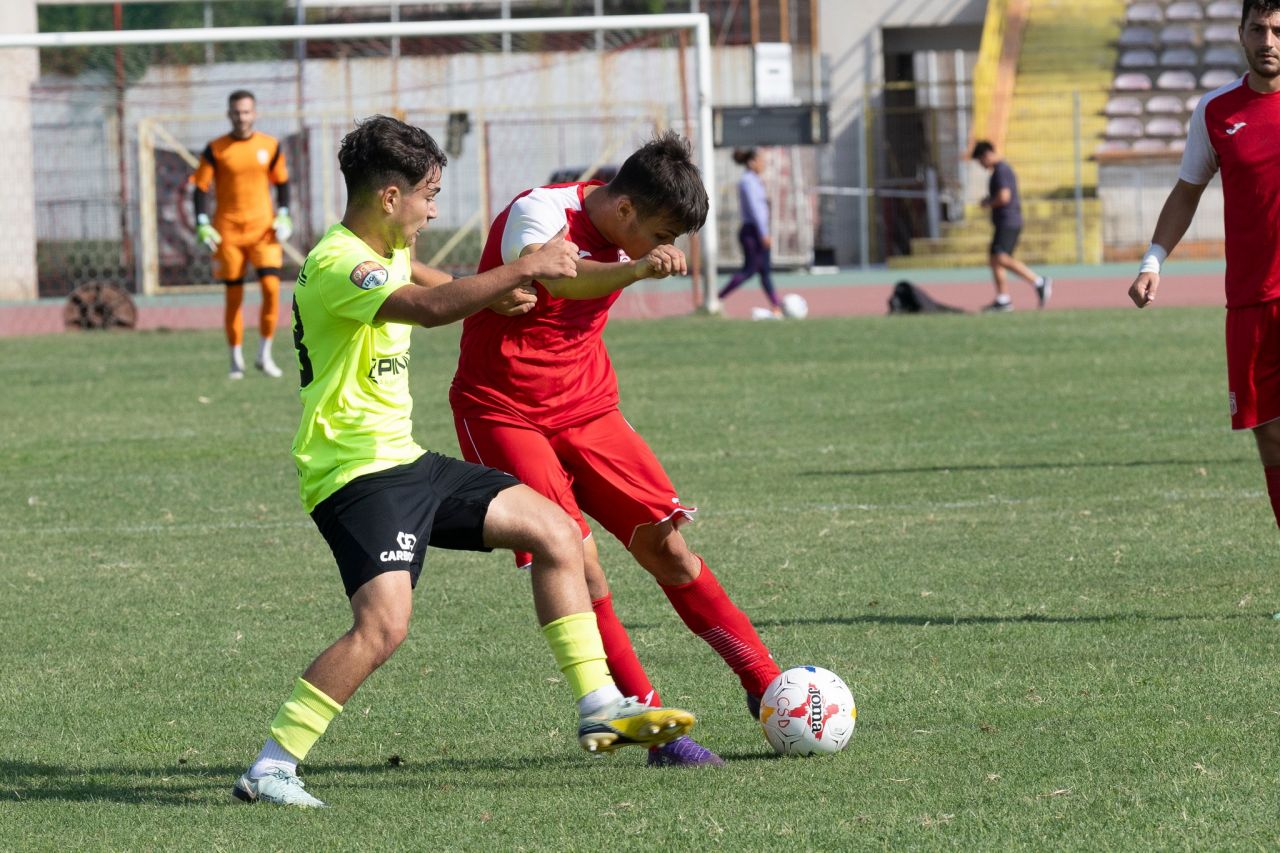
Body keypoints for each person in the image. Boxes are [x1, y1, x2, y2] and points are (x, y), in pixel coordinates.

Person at [231, 116, 696, 809]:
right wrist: (523, 268)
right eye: (428, 195)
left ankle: (599, 701)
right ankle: (271, 765)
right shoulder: (339, 263)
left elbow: (442, 281)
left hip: (406, 460)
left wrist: (502, 291)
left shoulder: (386, 246)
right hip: (355, 477)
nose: (433, 209)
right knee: (383, 627)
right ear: (389, 196)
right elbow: (423, 306)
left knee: (557, 531)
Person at [450, 131, 782, 768]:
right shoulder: (541, 212)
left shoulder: (633, 234)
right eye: (662, 233)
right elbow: (560, 279)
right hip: (504, 411)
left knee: (670, 549)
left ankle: (766, 686)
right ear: (625, 210)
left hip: (588, 407)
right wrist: (635, 269)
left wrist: (639, 261)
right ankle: (655, 731)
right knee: (577, 561)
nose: (668, 249)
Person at [1129, 0, 1280, 531]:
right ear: (1240, 33)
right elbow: (1187, 192)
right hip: (1249, 300)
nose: (1269, 41)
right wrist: (1153, 260)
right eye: (1259, 29)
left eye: (1278, 31)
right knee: (1269, 434)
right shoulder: (1217, 112)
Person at [190, 90, 293, 379]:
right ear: (228, 114)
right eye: (236, 112)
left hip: (263, 231)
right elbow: (199, 189)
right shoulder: (216, 149)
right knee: (234, 296)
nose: (241, 117)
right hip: (228, 231)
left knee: (272, 290)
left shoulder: (269, 146)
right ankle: (236, 359)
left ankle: (265, 354)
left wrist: (284, 213)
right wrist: (202, 223)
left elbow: (283, 184)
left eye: (246, 111)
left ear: (254, 113)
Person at [970, 140, 1052, 312]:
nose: (981, 165)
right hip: (1004, 221)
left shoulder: (1001, 171)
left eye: (980, 161)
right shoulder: (998, 171)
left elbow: (1004, 197)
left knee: (1000, 257)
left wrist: (989, 203)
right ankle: (1003, 299)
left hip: (1009, 221)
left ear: (987, 155)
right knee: (994, 259)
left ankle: (1038, 281)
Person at [717, 147, 781, 318]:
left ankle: (777, 306)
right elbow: (755, 210)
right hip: (752, 231)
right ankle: (717, 299)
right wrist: (763, 232)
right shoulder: (748, 181)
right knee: (750, 270)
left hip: (758, 230)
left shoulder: (755, 180)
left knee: (765, 270)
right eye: (761, 161)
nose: (764, 164)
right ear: (752, 162)